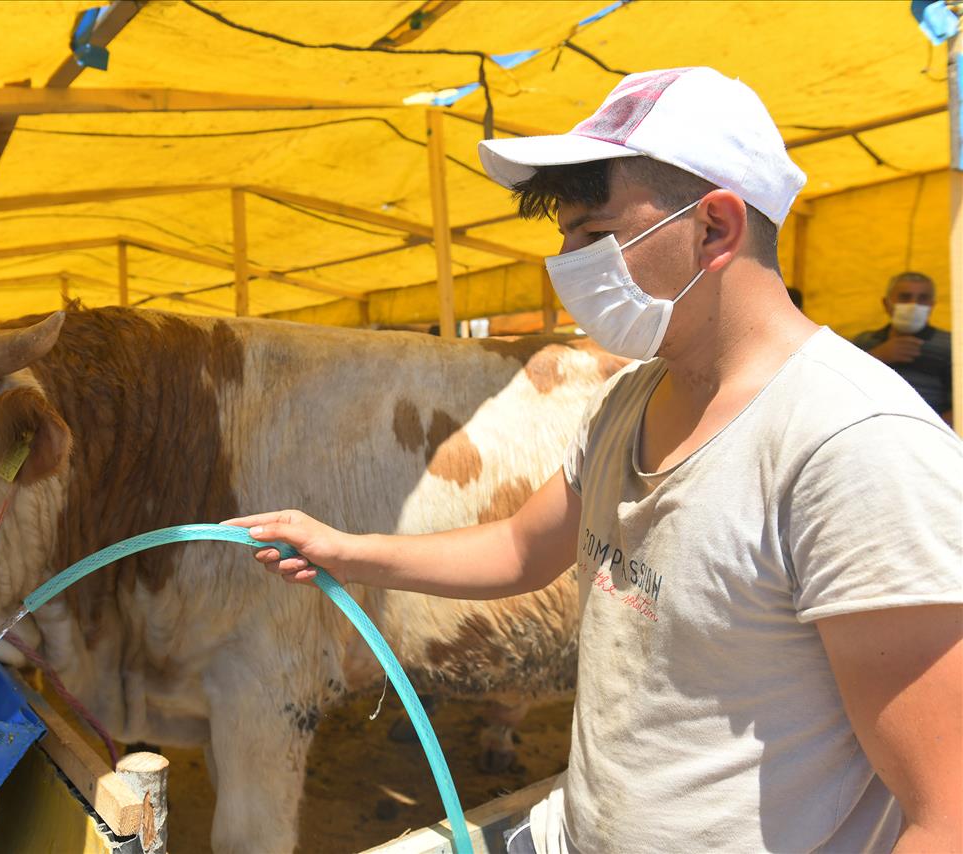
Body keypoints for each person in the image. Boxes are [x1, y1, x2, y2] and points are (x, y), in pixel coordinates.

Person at [227, 67, 962, 853]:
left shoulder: (852, 448)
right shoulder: (632, 401)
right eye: (564, 236)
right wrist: (346, 549)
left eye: (594, 236)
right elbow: (519, 548)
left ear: (714, 228)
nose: (568, 263)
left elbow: (944, 811)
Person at [853, 272, 953, 424]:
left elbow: (958, 407)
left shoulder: (951, 345)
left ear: (932, 306)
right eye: (905, 297)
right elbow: (839, 389)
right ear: (886, 304)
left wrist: (931, 432)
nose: (914, 305)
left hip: (930, 435)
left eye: (923, 299)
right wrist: (876, 357)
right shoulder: (864, 342)